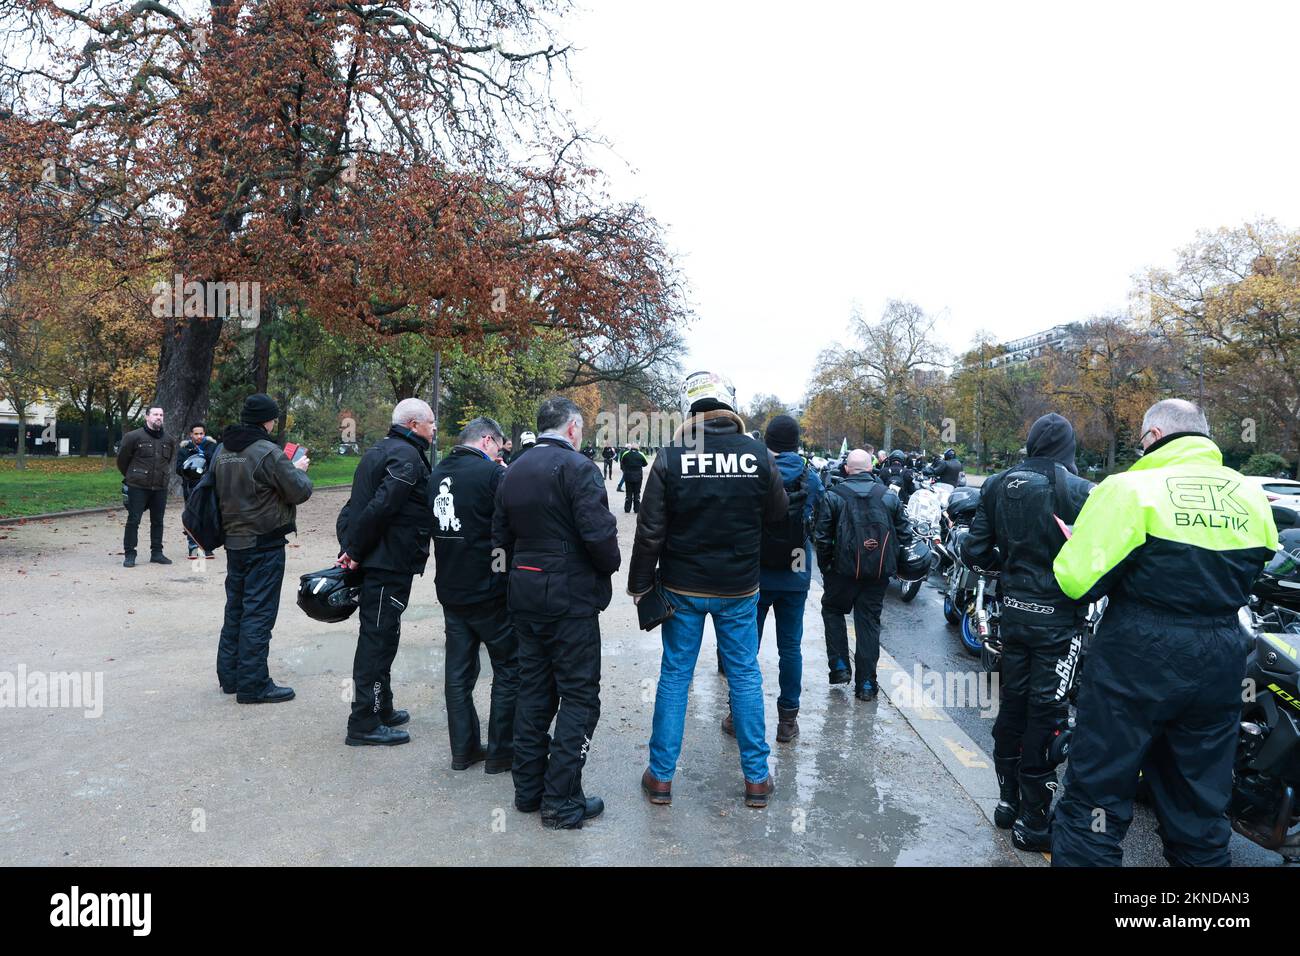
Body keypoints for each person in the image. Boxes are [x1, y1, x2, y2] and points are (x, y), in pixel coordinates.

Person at [1049, 399, 1278, 866]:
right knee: (1199, 805)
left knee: (1097, 798)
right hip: (1220, 655)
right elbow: (1255, 568)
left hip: (1137, 655)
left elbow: (1077, 582)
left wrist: (1083, 544)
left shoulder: (1129, 487)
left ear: (1154, 436)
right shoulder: (1249, 493)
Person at [629, 370, 788, 809]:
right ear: (728, 407)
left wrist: (639, 586)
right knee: (745, 676)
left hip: (682, 585)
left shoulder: (671, 456)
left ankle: (661, 777)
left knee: (675, 677)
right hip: (738, 588)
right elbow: (778, 513)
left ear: (691, 410)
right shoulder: (757, 454)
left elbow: (650, 532)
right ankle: (757, 778)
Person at [960, 413, 1094, 851]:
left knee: (1013, 706)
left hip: (1014, 614)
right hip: (1058, 618)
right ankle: (1034, 822)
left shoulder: (997, 483)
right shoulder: (1078, 490)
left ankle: (1007, 803)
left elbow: (974, 549)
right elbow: (1099, 556)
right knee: (1048, 715)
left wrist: (1010, 572)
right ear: (1068, 447)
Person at [492, 397, 620, 829]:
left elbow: (499, 538)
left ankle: (529, 790)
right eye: (580, 429)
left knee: (534, 691)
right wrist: (608, 564)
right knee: (580, 697)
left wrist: (515, 573)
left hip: (526, 594)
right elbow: (599, 535)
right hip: (568, 599)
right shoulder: (578, 468)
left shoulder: (513, 470)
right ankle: (561, 799)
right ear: (572, 429)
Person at [336, 398, 435, 746]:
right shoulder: (405, 457)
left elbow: (355, 505)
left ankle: (381, 706)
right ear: (413, 424)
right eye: (430, 423)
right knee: (377, 640)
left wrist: (351, 546)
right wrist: (353, 550)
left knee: (384, 636)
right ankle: (363, 721)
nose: (434, 429)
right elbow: (379, 507)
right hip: (386, 562)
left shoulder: (382, 450)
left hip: (383, 559)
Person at [725, 414, 823, 744]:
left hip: (755, 570)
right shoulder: (812, 475)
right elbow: (820, 520)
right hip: (795, 569)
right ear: (796, 442)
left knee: (745, 648)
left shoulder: (754, 467)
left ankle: (738, 714)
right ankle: (787, 721)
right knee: (790, 648)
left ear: (767, 440)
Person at [430, 416, 519, 772]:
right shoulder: (492, 475)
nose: (500, 452)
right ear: (486, 441)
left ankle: (463, 750)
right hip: (487, 587)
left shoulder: (436, 473)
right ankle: (501, 751)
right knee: (509, 667)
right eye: (498, 445)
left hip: (450, 585)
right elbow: (507, 529)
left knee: (458, 672)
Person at [212, 394, 312, 702]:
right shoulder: (268, 452)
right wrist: (300, 470)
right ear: (266, 421)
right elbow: (299, 491)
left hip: (233, 540)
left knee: (236, 609)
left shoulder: (222, 449)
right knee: (259, 613)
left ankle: (231, 677)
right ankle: (253, 685)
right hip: (264, 542)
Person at [814, 448, 909, 700]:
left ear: (846, 469)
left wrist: (826, 569)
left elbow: (821, 538)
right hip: (877, 574)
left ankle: (839, 666)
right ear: (871, 469)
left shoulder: (833, 495)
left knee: (833, 611)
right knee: (868, 623)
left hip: (841, 572)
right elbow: (905, 535)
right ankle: (866, 684)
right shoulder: (888, 496)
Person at [116, 405, 177, 567]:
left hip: (159, 487)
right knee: (134, 520)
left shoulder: (169, 440)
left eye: (161, 414)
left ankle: (157, 553)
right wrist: (133, 476)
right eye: (155, 414)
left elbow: (168, 460)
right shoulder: (133, 436)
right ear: (147, 417)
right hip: (137, 486)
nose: (159, 417)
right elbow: (122, 461)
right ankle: (130, 554)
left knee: (158, 521)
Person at [176, 422, 218, 559]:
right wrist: (189, 468)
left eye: (201, 433)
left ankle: (207, 547)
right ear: (191, 435)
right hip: (190, 487)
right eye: (196, 434)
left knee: (208, 516)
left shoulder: (212, 446)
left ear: (204, 434)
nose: (199, 436)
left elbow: (214, 463)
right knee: (192, 516)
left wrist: (203, 454)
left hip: (207, 486)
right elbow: (178, 469)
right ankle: (193, 547)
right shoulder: (184, 449)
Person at [619, 442, 648, 513]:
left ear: (631, 447)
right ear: (638, 448)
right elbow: (645, 464)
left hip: (628, 476)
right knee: (637, 493)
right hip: (638, 476)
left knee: (628, 493)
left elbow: (622, 462)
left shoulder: (626, 454)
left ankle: (627, 509)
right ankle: (637, 509)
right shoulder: (641, 454)